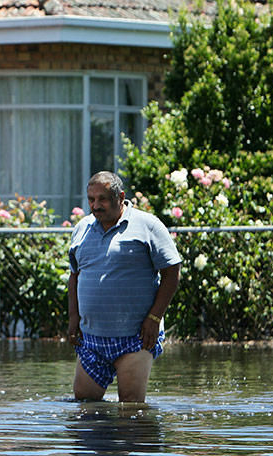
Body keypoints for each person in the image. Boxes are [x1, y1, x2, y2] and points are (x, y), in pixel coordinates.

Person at [67, 171, 181, 402]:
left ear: (120, 196)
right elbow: (74, 276)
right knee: (85, 403)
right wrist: (73, 318)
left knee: (131, 407)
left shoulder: (147, 225)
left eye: (102, 199)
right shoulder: (82, 228)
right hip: (92, 338)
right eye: (91, 199)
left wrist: (154, 318)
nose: (95, 205)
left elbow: (171, 272)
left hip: (136, 337)